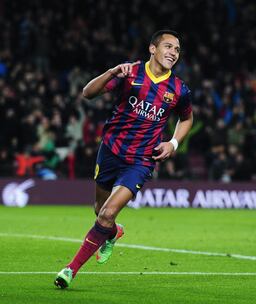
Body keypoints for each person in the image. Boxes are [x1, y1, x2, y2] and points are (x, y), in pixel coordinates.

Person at [54, 29, 193, 288]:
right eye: (168, 46)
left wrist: (173, 143)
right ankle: (114, 232)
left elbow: (187, 118)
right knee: (99, 211)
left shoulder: (178, 89)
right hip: (110, 151)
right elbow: (87, 92)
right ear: (152, 48)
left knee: (105, 214)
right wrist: (111, 72)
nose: (173, 52)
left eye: (177, 49)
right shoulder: (130, 73)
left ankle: (70, 270)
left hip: (141, 160)